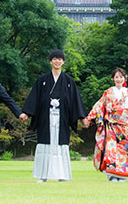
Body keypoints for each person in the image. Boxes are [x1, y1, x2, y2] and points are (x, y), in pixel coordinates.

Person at [22, 50, 86, 183]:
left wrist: (82, 117)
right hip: (46, 117)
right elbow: (34, 98)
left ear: (63, 62)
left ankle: (62, 175)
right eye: (54, 59)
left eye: (60, 59)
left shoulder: (69, 81)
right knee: (44, 144)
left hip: (62, 119)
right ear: (50, 61)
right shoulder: (42, 80)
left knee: (61, 145)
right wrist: (27, 113)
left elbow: (75, 101)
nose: (57, 61)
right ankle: (43, 175)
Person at [82, 67, 128, 182]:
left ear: (125, 78)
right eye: (116, 77)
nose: (119, 79)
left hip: (126, 127)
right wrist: (90, 118)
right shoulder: (108, 92)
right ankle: (112, 174)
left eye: (121, 77)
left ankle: (122, 175)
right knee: (111, 150)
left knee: (125, 151)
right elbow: (99, 106)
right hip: (112, 127)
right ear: (113, 79)